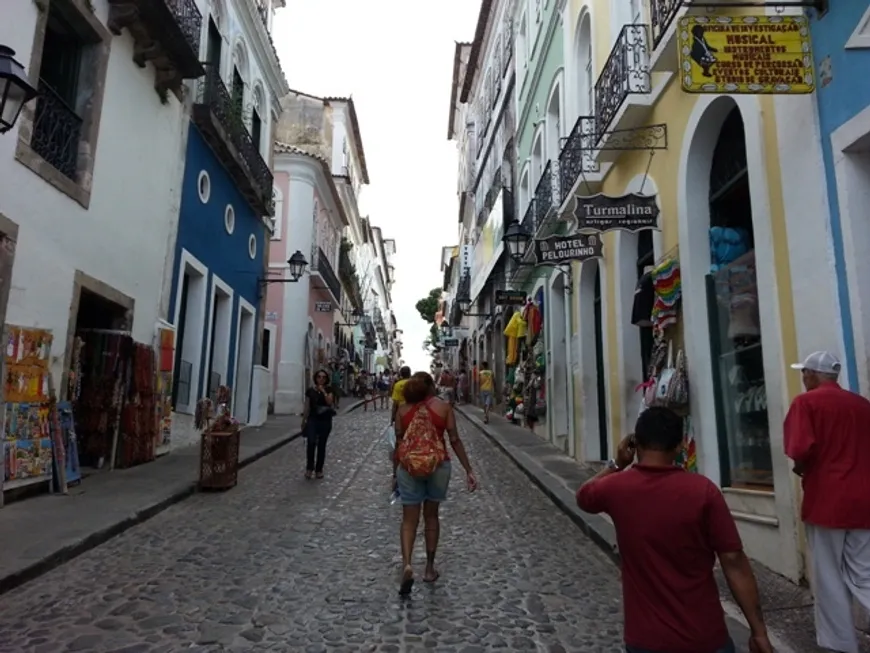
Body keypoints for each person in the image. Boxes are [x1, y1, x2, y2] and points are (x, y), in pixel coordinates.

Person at [576, 406, 773, 653]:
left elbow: (584, 496)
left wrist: (617, 464)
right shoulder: (704, 492)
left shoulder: (615, 489)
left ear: (635, 443)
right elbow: (733, 561)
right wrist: (759, 632)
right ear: (680, 446)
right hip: (704, 636)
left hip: (647, 639)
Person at [784, 351, 870, 653]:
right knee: (865, 571)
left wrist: (801, 465)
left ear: (812, 374)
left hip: (827, 499)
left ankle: (842, 644)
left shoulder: (805, 403)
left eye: (803, 373)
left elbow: (799, 448)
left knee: (830, 575)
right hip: (865, 499)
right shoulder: (862, 405)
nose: (803, 378)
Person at [393, 372, 477, 595]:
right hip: (438, 466)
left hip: (409, 467)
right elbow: (455, 440)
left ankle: (407, 564)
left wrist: (395, 475)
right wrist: (468, 469)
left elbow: (399, 444)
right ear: (431, 386)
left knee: (409, 520)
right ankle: (429, 569)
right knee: (431, 516)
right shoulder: (444, 408)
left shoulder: (402, 411)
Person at [302, 369, 336, 480]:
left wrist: (323, 391)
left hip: (325, 420)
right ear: (315, 378)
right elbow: (307, 406)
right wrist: (304, 420)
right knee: (311, 443)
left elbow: (330, 402)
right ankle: (309, 468)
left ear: (326, 379)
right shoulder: (310, 391)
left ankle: (319, 469)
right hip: (313, 419)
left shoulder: (329, 390)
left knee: (322, 445)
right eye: (319, 377)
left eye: (323, 377)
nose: (321, 379)